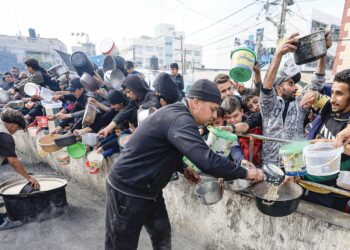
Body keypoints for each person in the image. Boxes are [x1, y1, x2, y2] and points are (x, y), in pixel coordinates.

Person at [105, 79, 264, 249]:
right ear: (196, 103)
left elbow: (163, 148)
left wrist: (182, 167)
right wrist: (246, 173)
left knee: (162, 233)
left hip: (149, 189)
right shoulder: (180, 118)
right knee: (121, 244)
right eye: (212, 109)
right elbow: (207, 160)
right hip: (128, 189)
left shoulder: (179, 114)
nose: (214, 116)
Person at [259, 32, 330, 165]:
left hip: (294, 164)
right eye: (290, 84)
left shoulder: (300, 104)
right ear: (279, 87)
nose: (296, 88)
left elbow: (317, 83)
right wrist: (279, 54)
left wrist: (322, 53)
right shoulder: (268, 107)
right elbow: (266, 87)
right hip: (270, 164)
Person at [0, 108, 40, 230]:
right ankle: (1, 223)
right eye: (17, 129)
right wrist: (29, 177)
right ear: (14, 125)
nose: (15, 132)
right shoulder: (5, 136)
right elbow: (14, 162)